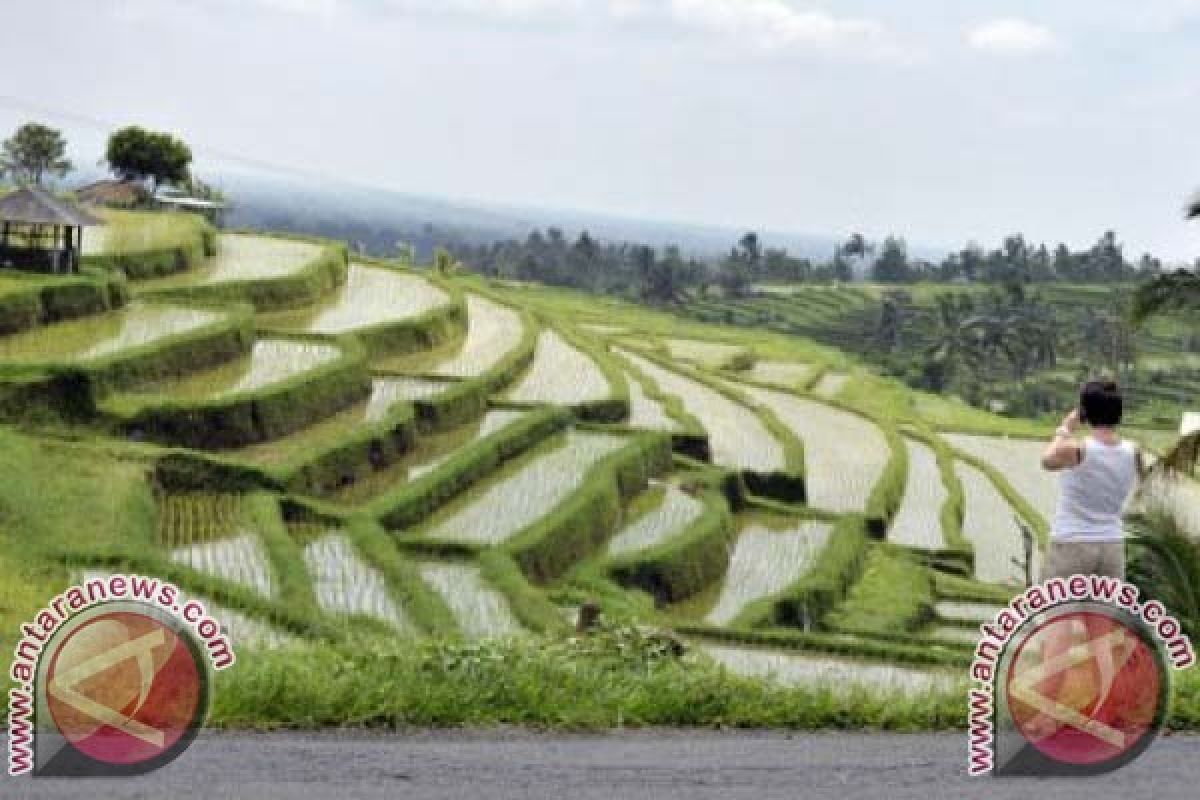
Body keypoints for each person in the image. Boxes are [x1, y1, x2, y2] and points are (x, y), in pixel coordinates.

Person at [1040, 379, 1144, 580]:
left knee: (1063, 611)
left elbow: (1046, 461)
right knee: (1103, 612)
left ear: (1085, 412)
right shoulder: (1134, 451)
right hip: (1112, 545)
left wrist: (1065, 429)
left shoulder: (1078, 450)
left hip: (1072, 543)